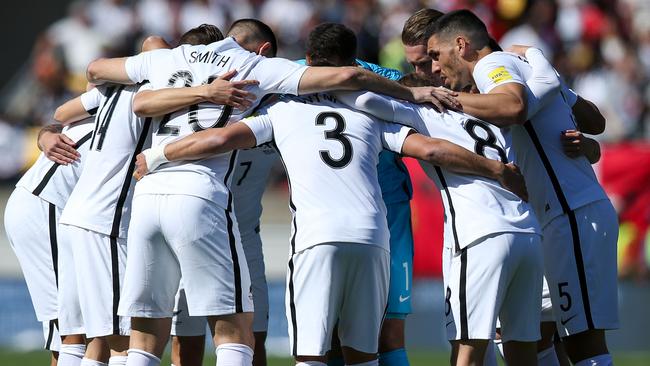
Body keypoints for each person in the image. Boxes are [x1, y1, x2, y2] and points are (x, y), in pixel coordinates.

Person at [84, 20, 453, 366]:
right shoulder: (258, 70)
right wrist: (414, 92)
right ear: (262, 51)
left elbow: (101, 72)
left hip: (149, 198)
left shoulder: (170, 61)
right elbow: (356, 80)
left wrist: (157, 152)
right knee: (237, 332)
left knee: (146, 335)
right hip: (208, 202)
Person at [131, 84, 528, 366]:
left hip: (316, 241)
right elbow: (434, 149)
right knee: (365, 354)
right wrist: (497, 168)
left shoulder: (284, 108)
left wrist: (159, 154)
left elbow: (218, 140)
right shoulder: (369, 110)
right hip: (373, 238)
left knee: (310, 354)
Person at [427, 10, 618, 366]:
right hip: (553, 218)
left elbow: (513, 106)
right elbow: (594, 121)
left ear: (461, 45)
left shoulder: (492, 65)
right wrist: (550, 79)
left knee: (583, 343)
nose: (435, 69)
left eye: (436, 56)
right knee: (534, 334)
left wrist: (435, 98)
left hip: (571, 213)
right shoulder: (526, 68)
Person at [4, 119, 94, 366]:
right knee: (73, 331)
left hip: (55, 206)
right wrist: (46, 133)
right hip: (47, 204)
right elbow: (63, 113)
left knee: (76, 330)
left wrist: (46, 133)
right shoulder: (129, 97)